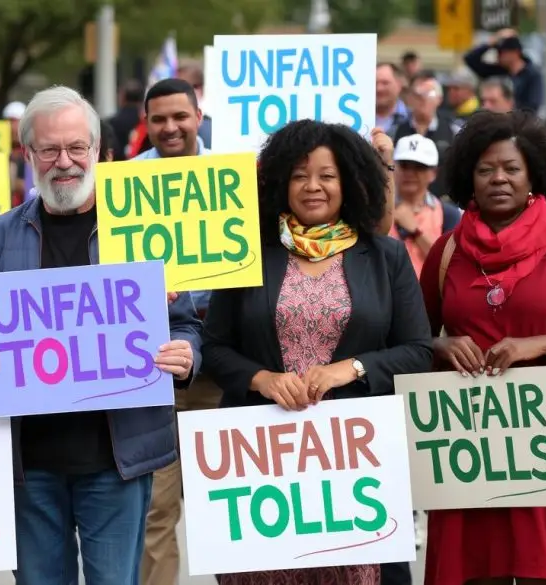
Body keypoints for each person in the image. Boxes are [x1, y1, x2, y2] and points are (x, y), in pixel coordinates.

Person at [0, 85, 203, 585]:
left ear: (97, 152)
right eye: (49, 149)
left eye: (76, 148)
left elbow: (188, 324)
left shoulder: (142, 225)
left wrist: (186, 355)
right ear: (29, 155)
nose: (64, 161)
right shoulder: (0, 236)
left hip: (117, 459)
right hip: (31, 465)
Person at [202, 119, 432, 585]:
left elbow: (419, 350)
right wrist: (261, 379)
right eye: (300, 175)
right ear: (281, 181)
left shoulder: (385, 257)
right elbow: (214, 347)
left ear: (348, 181)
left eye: (327, 176)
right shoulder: (245, 252)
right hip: (260, 467)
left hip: (353, 463)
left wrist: (352, 368)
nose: (313, 187)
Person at [420, 110, 546, 585]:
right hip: (468, 447)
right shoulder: (446, 251)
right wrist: (441, 344)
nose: (498, 179)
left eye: (511, 168)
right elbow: (408, 341)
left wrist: (541, 344)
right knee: (472, 571)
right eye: (486, 169)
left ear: (533, 174)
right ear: (469, 175)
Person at [131, 77, 220, 585]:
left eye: (179, 116)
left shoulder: (234, 178)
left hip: (226, 363)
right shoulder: (123, 187)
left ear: (198, 117)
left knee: (233, 510)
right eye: (158, 119)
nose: (169, 127)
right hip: (156, 365)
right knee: (155, 513)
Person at [389, 134, 462, 275]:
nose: (410, 173)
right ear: (394, 167)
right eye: (404, 165)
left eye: (419, 167)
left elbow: (452, 266)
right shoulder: (377, 211)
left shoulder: (448, 214)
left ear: (433, 173)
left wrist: (416, 231)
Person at [464, 28, 543, 112]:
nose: (498, 56)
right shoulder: (498, 71)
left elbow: (533, 105)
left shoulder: (532, 74)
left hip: (518, 122)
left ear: (515, 52)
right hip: (493, 120)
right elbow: (470, 59)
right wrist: (492, 41)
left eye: (502, 52)